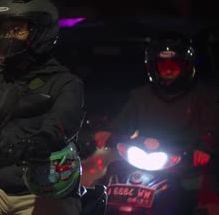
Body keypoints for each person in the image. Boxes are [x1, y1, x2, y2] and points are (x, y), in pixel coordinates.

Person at [0, 0, 84, 215]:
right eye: (3, 30)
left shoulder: (66, 84)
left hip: (44, 190)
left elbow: (59, 127)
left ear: (42, 33)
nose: (8, 37)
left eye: (17, 30)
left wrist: (29, 145)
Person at [93, 32, 219, 214]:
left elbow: (212, 126)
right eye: (163, 65)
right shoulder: (141, 96)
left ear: (187, 67)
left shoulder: (204, 96)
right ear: (153, 68)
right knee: (111, 175)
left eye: (174, 65)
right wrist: (108, 131)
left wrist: (204, 148)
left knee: (209, 199)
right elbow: (124, 120)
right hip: (145, 157)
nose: (169, 70)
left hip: (187, 164)